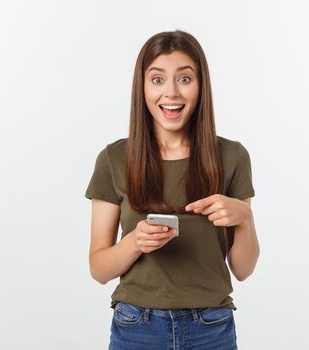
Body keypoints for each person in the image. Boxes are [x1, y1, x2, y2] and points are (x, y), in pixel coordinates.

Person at [85, 30, 260, 350]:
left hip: (212, 326)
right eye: (157, 79)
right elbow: (99, 269)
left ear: (201, 86)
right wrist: (135, 242)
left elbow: (243, 269)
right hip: (136, 326)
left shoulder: (232, 157)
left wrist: (244, 218)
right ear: (142, 88)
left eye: (184, 79)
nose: (171, 93)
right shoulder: (114, 158)